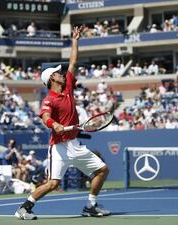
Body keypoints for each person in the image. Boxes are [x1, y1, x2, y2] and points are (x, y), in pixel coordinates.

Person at [15, 26, 110, 220]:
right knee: (52, 184)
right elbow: (45, 116)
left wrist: (76, 39)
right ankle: (23, 209)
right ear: (52, 79)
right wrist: (53, 124)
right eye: (58, 73)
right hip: (59, 148)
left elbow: (73, 62)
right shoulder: (49, 99)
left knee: (102, 170)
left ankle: (90, 206)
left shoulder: (67, 88)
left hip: (74, 144)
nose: (61, 73)